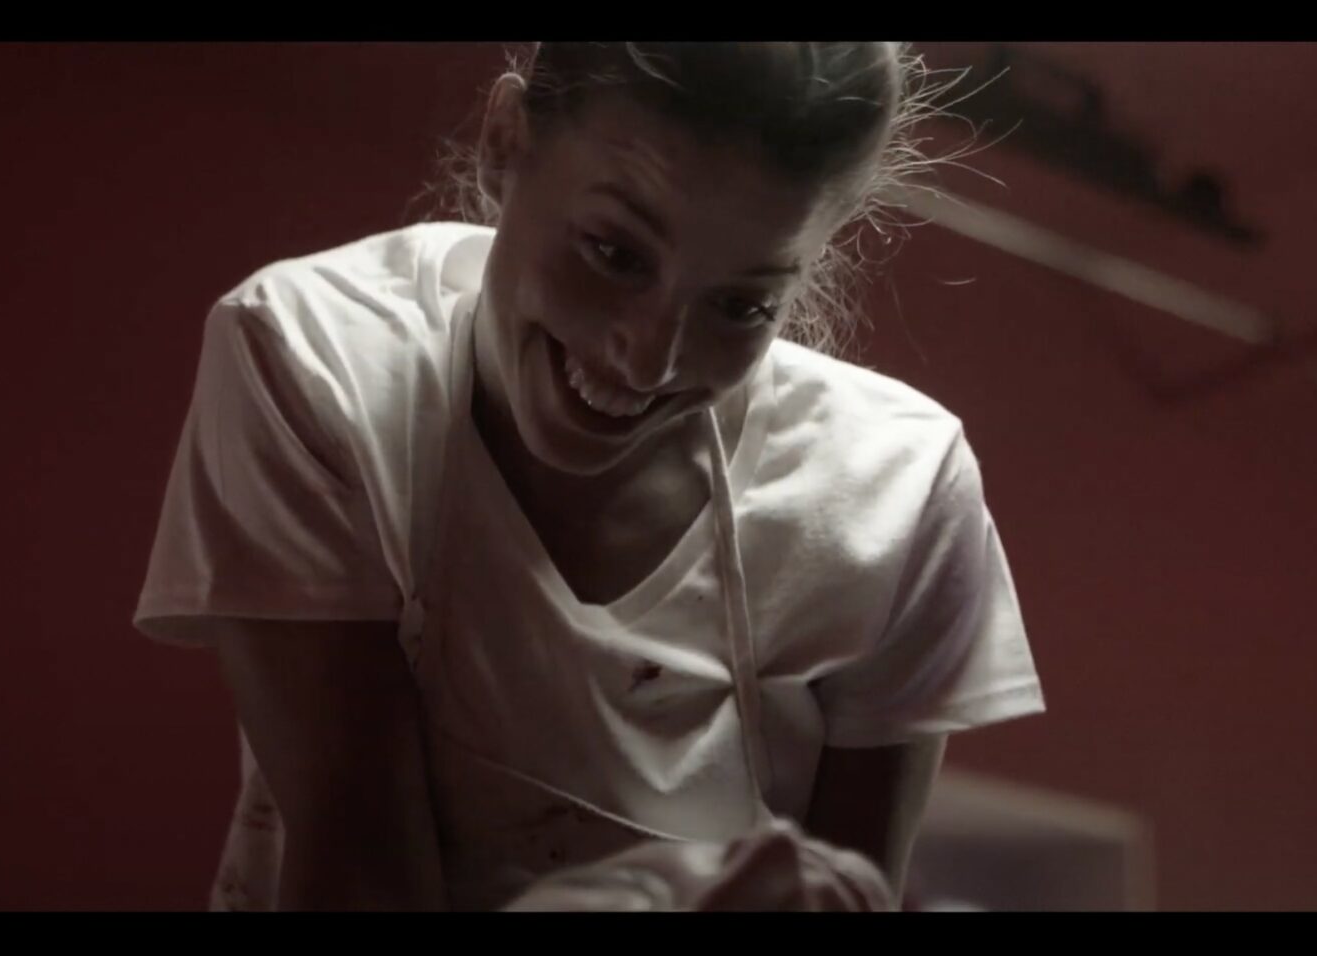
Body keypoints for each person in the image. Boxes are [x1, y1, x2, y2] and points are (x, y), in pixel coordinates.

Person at [134, 41, 1045, 912]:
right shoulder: (320, 361)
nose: (649, 359)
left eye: (741, 306)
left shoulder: (892, 499)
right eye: (615, 253)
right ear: (506, 142)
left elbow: (843, 900)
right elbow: (362, 878)